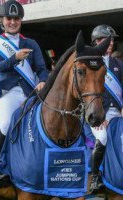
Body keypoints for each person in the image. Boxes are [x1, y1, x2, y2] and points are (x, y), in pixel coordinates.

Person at [0, 0, 48, 187]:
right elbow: (1, 66)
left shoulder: (31, 43)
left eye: (16, 19)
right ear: (2, 21)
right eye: (9, 19)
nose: (13, 22)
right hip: (8, 93)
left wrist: (43, 81)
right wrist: (16, 57)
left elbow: (41, 68)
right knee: (5, 124)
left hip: (31, 92)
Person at [89, 24, 123, 193]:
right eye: (106, 40)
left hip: (117, 112)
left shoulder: (118, 64)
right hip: (96, 114)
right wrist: (100, 117)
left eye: (112, 40)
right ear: (96, 41)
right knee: (102, 137)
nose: (110, 43)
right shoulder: (91, 63)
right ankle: (95, 177)